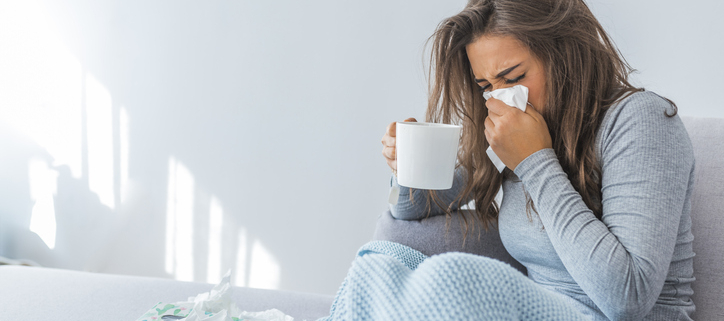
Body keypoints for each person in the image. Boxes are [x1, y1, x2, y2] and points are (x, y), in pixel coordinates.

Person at [379, 0, 696, 320]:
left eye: (514, 78)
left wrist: (534, 161)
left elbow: (627, 299)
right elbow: (410, 209)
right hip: (536, 312)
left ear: (565, 57)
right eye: (486, 87)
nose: (501, 99)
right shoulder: (511, 136)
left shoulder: (640, 120)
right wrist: (406, 162)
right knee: (380, 265)